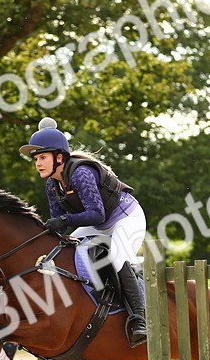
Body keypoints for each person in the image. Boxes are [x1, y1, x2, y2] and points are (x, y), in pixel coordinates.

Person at [18, 118, 148, 346]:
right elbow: (63, 225)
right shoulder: (52, 184)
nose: (38, 163)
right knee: (62, 250)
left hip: (126, 218)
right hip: (100, 224)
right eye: (36, 159)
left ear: (59, 157)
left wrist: (63, 220)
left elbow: (96, 214)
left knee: (118, 257)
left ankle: (140, 319)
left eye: (42, 157)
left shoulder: (80, 173)